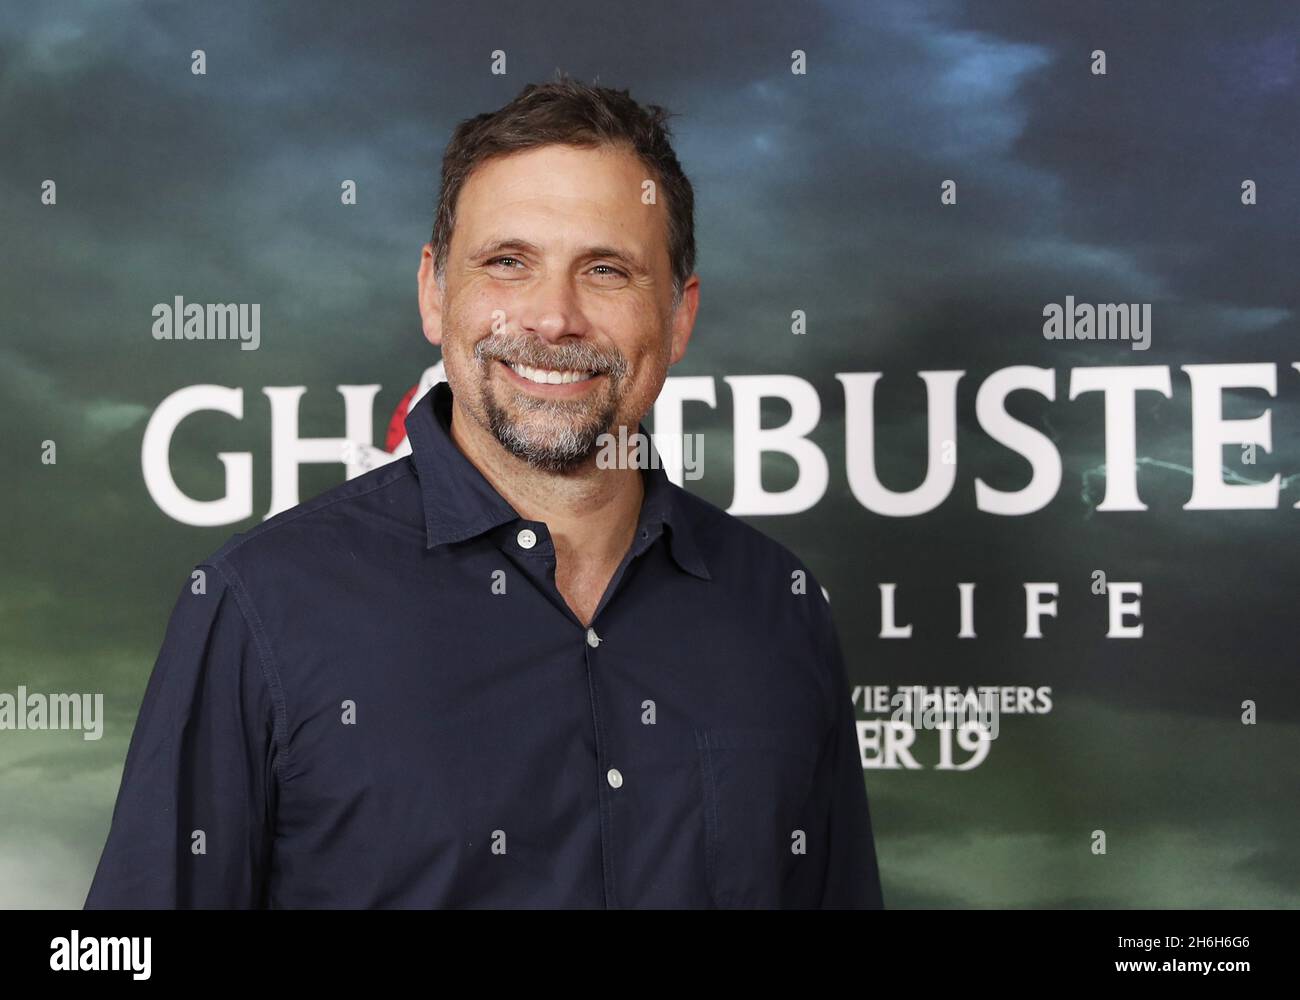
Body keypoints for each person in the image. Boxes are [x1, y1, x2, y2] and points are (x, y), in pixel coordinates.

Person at [84, 74, 884, 909]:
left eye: (606, 270)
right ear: (434, 292)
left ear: (679, 317)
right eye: (508, 263)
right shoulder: (263, 606)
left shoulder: (779, 609)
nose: (552, 318)